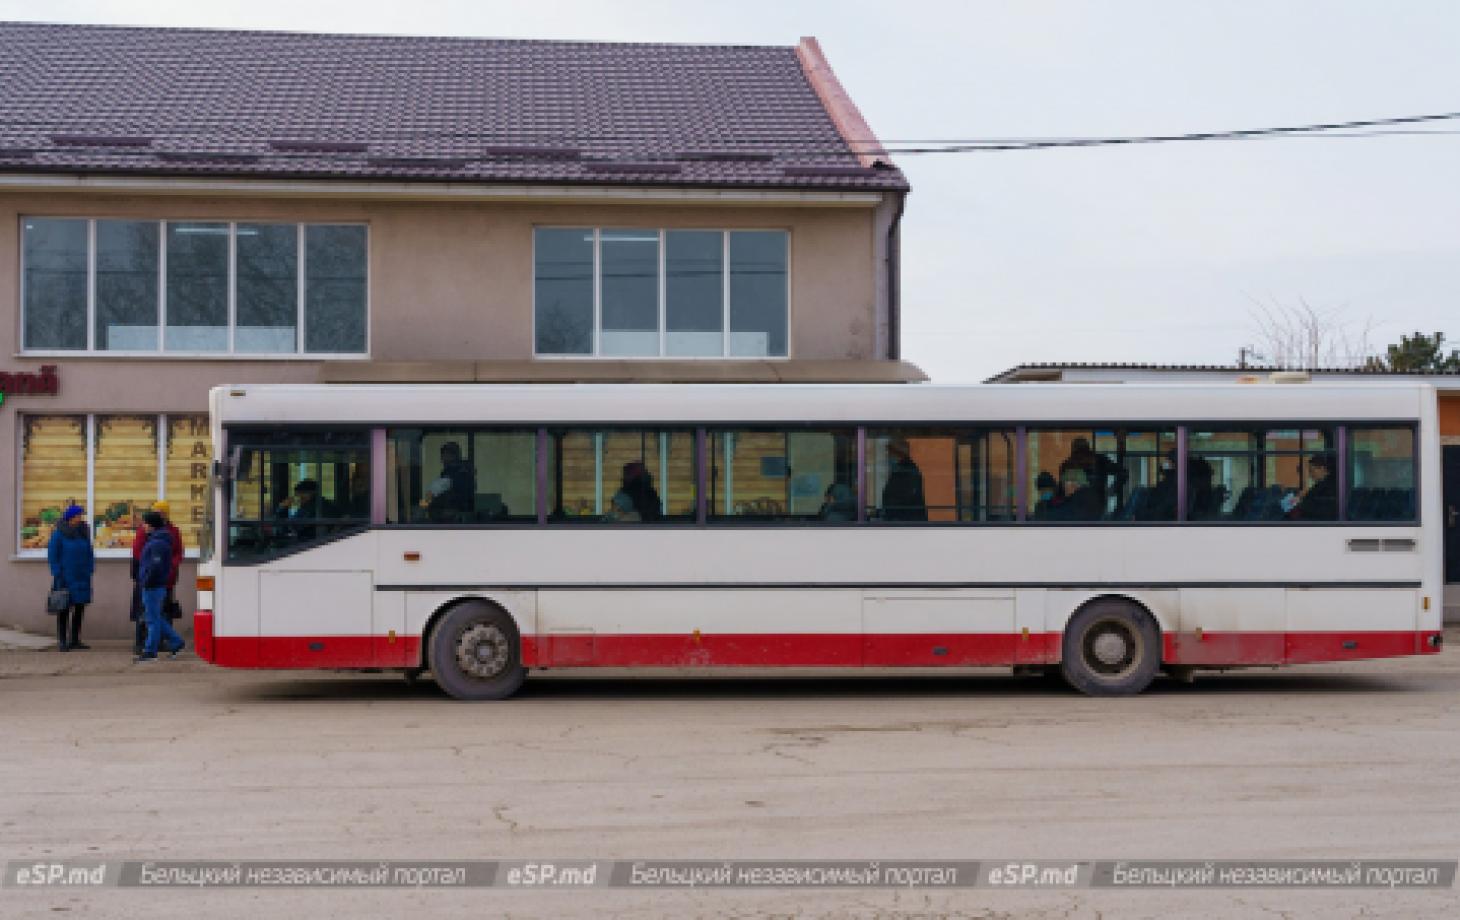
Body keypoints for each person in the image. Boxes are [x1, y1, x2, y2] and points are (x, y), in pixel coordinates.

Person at [131, 501, 184, 655]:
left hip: (154, 582)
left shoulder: (160, 539)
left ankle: (150, 650)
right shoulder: (154, 535)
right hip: (156, 580)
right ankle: (173, 640)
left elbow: (157, 562)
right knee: (154, 615)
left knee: (153, 617)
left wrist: (148, 577)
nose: (143, 526)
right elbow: (139, 552)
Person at [47, 504, 93, 652]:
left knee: (79, 608)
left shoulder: (83, 532)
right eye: (78, 516)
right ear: (70, 517)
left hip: (82, 576)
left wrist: (89, 569)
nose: (80, 518)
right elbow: (53, 555)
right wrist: (57, 572)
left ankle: (75, 640)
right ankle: (62, 640)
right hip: (65, 577)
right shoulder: (59, 534)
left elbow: (89, 552)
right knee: (64, 609)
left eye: (81, 516)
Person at [420, 442, 474, 519]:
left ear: (453, 456)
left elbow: (432, 491)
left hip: (449, 516)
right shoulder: (465, 471)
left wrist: (422, 506)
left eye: (444, 455)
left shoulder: (452, 473)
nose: (442, 459)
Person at [881, 437, 927, 521]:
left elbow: (905, 498)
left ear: (897, 453)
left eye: (889, 452)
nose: (888, 455)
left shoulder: (906, 470)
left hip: (906, 522)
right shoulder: (900, 469)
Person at [1288, 453, 1338, 520]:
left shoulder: (1329, 488)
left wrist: (1299, 500)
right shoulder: (1322, 485)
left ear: (1322, 468)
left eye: (1311, 471)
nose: (1310, 475)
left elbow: (1320, 510)